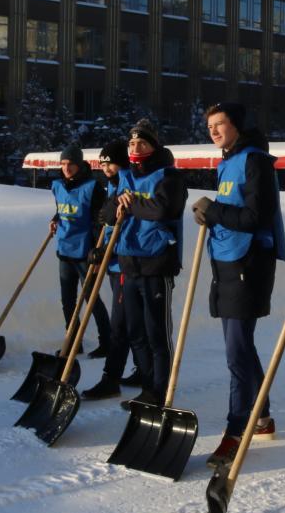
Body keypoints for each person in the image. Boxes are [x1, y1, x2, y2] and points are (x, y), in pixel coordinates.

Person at [190, 102, 285, 467]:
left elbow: (255, 216)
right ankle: (261, 418)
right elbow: (232, 209)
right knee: (241, 348)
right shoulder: (228, 162)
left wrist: (215, 211)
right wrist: (212, 217)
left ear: (237, 126)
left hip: (249, 263)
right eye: (210, 126)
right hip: (228, 262)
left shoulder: (255, 161)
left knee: (236, 352)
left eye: (220, 124)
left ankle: (236, 429)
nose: (213, 131)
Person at [109, 120, 188, 408]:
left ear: (154, 146)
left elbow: (164, 209)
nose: (135, 148)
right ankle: (147, 386)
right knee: (136, 332)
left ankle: (160, 389)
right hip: (129, 263)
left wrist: (129, 205)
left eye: (141, 143)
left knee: (157, 333)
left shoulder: (169, 176)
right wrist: (118, 203)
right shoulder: (125, 177)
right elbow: (107, 213)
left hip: (157, 263)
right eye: (131, 143)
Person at [81, 140, 143, 400]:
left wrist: (111, 251)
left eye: (111, 163)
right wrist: (101, 247)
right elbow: (108, 223)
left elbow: (129, 226)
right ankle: (144, 370)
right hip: (115, 262)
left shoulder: (127, 182)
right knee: (132, 323)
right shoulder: (114, 183)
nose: (106, 168)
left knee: (120, 325)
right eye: (103, 163)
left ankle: (111, 379)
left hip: (125, 265)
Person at [49, 144, 106, 355]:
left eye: (70, 164)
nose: (66, 168)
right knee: (68, 300)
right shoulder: (58, 186)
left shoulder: (93, 188)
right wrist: (55, 219)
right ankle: (73, 341)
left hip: (86, 252)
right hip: (64, 249)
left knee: (91, 299)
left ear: (79, 164)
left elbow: (100, 221)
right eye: (63, 164)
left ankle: (106, 340)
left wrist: (98, 250)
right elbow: (61, 209)